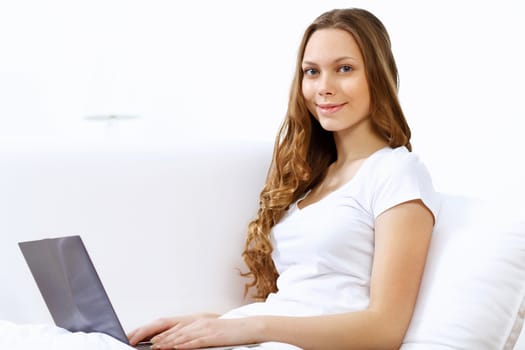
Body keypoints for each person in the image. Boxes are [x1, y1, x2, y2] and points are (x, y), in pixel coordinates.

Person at [128, 7, 439, 350]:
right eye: (312, 71)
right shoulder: (314, 180)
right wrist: (210, 324)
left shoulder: (396, 172)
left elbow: (385, 329)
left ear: (378, 76)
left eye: (345, 69)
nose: (324, 87)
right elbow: (299, 303)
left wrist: (249, 327)